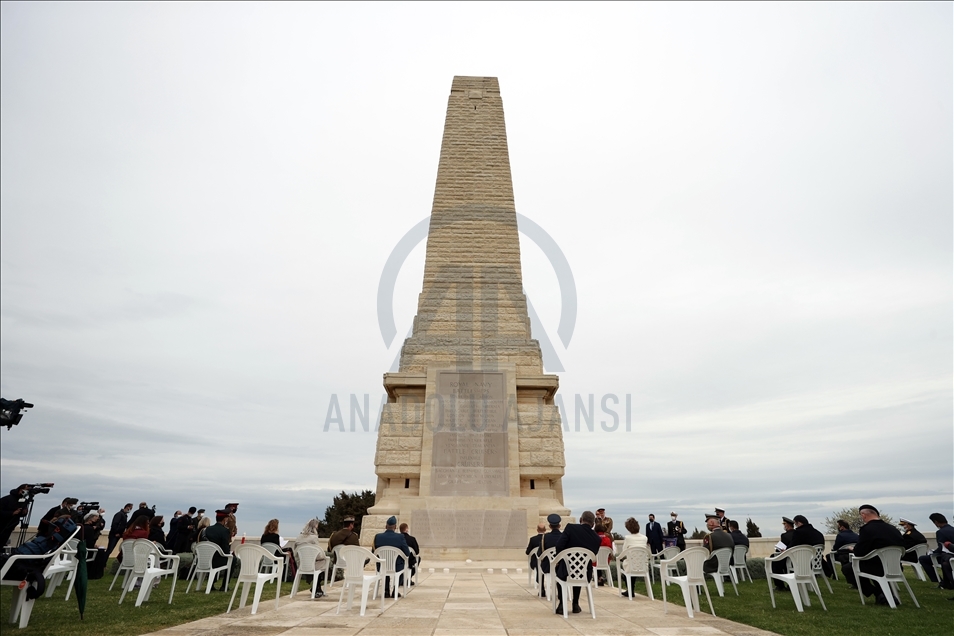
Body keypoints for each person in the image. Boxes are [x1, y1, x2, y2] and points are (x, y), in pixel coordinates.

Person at [841, 504, 905, 604]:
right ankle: (885, 595)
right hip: (896, 567)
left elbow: (860, 553)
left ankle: (877, 593)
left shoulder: (867, 529)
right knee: (872, 563)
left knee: (848, 568)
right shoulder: (893, 529)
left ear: (863, 515)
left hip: (877, 568)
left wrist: (853, 549)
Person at [553, 510, 601, 615]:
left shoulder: (570, 528)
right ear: (593, 525)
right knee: (579, 569)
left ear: (580, 520)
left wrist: (562, 559)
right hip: (584, 573)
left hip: (566, 570)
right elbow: (593, 556)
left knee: (561, 568)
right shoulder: (597, 538)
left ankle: (562, 604)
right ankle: (575, 603)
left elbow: (559, 546)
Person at [372, 516, 410, 598]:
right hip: (396, 566)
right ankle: (395, 590)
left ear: (386, 526)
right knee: (404, 566)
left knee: (385, 566)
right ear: (395, 527)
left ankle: (386, 591)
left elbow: (373, 552)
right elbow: (407, 553)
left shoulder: (377, 537)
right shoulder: (400, 537)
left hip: (382, 566)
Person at [918, 512, 954, 589]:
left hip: (947, 556)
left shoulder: (940, 532)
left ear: (936, 522)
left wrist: (933, 553)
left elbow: (941, 548)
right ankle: (945, 582)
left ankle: (939, 581)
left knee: (923, 559)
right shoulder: (952, 529)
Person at [294, 519, 328, 597]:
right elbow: (318, 554)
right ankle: (317, 587)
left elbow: (295, 551)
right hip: (312, 564)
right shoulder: (314, 538)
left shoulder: (299, 537)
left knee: (318, 564)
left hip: (302, 564)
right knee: (323, 563)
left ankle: (317, 587)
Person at [202, 510, 233, 591]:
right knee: (233, 560)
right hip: (216, 560)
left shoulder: (207, 529)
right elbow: (225, 549)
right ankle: (224, 585)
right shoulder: (224, 531)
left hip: (205, 558)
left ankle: (211, 584)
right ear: (225, 520)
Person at [539, 514, 563, 596]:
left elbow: (540, 553)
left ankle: (542, 590)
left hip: (548, 566)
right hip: (561, 567)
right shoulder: (564, 537)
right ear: (560, 525)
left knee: (540, 565)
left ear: (549, 526)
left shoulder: (545, 537)